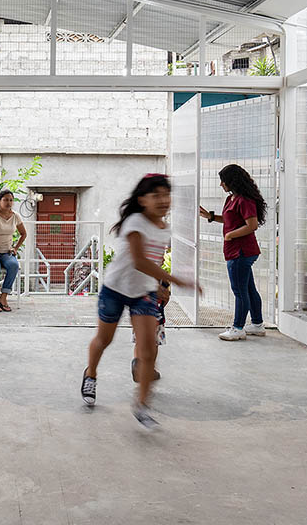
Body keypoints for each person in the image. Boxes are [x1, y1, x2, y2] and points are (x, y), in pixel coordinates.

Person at [81, 174, 198, 430]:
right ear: (142, 199)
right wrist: (174, 279)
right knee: (104, 340)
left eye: (166, 195)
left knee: (148, 349)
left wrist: (159, 286)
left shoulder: (164, 228)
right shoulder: (135, 222)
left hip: (143, 293)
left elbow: (152, 263)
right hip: (115, 289)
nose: (163, 200)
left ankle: (142, 405)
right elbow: (139, 261)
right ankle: (90, 374)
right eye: (156, 195)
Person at [200, 164, 267, 341]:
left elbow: (251, 225)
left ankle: (238, 328)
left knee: (239, 291)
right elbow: (231, 220)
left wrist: (231, 235)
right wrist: (211, 217)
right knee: (249, 289)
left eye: (223, 181)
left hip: (241, 252)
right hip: (236, 251)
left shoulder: (245, 200)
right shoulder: (231, 199)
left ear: (232, 181)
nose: (221, 184)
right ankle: (258, 324)